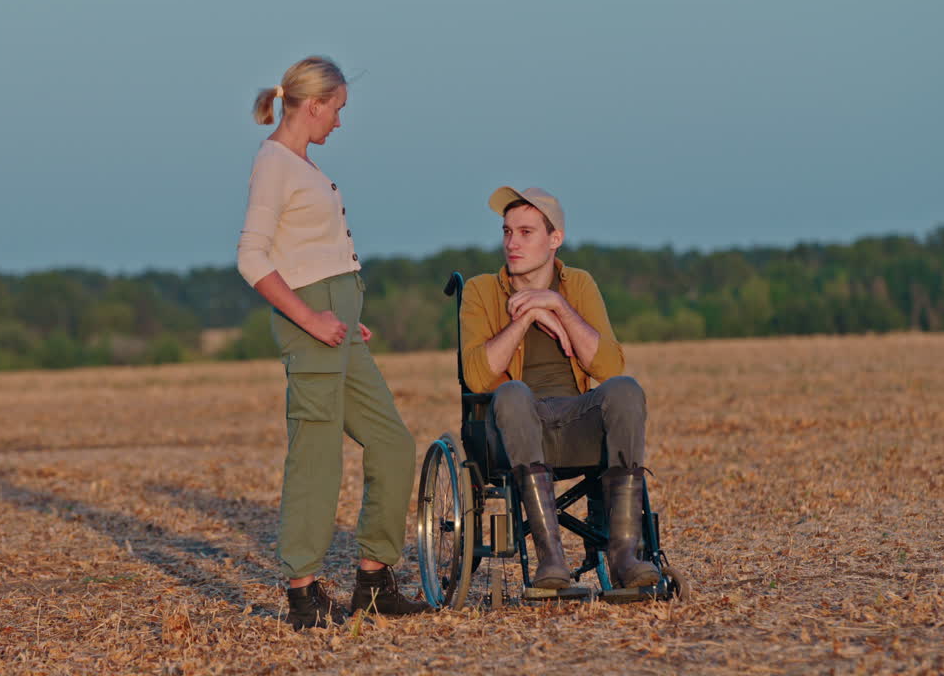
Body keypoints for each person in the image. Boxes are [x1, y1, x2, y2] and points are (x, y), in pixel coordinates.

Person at [236, 56, 430, 630]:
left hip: (339, 330)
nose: (339, 123)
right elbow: (251, 256)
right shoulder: (273, 163)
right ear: (314, 104)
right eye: (338, 109)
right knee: (316, 458)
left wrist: (346, 316)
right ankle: (303, 591)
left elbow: (315, 255)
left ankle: (373, 582)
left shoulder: (302, 165)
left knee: (393, 443)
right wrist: (312, 320)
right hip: (311, 330)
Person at [458, 186, 660, 590]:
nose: (512, 243)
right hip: (512, 429)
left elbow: (608, 365)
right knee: (512, 393)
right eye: (507, 232)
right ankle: (551, 560)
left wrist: (556, 305)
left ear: (555, 240)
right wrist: (524, 316)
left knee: (625, 388)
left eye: (526, 232)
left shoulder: (579, 284)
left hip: (575, 423)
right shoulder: (481, 291)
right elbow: (478, 378)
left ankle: (624, 556)